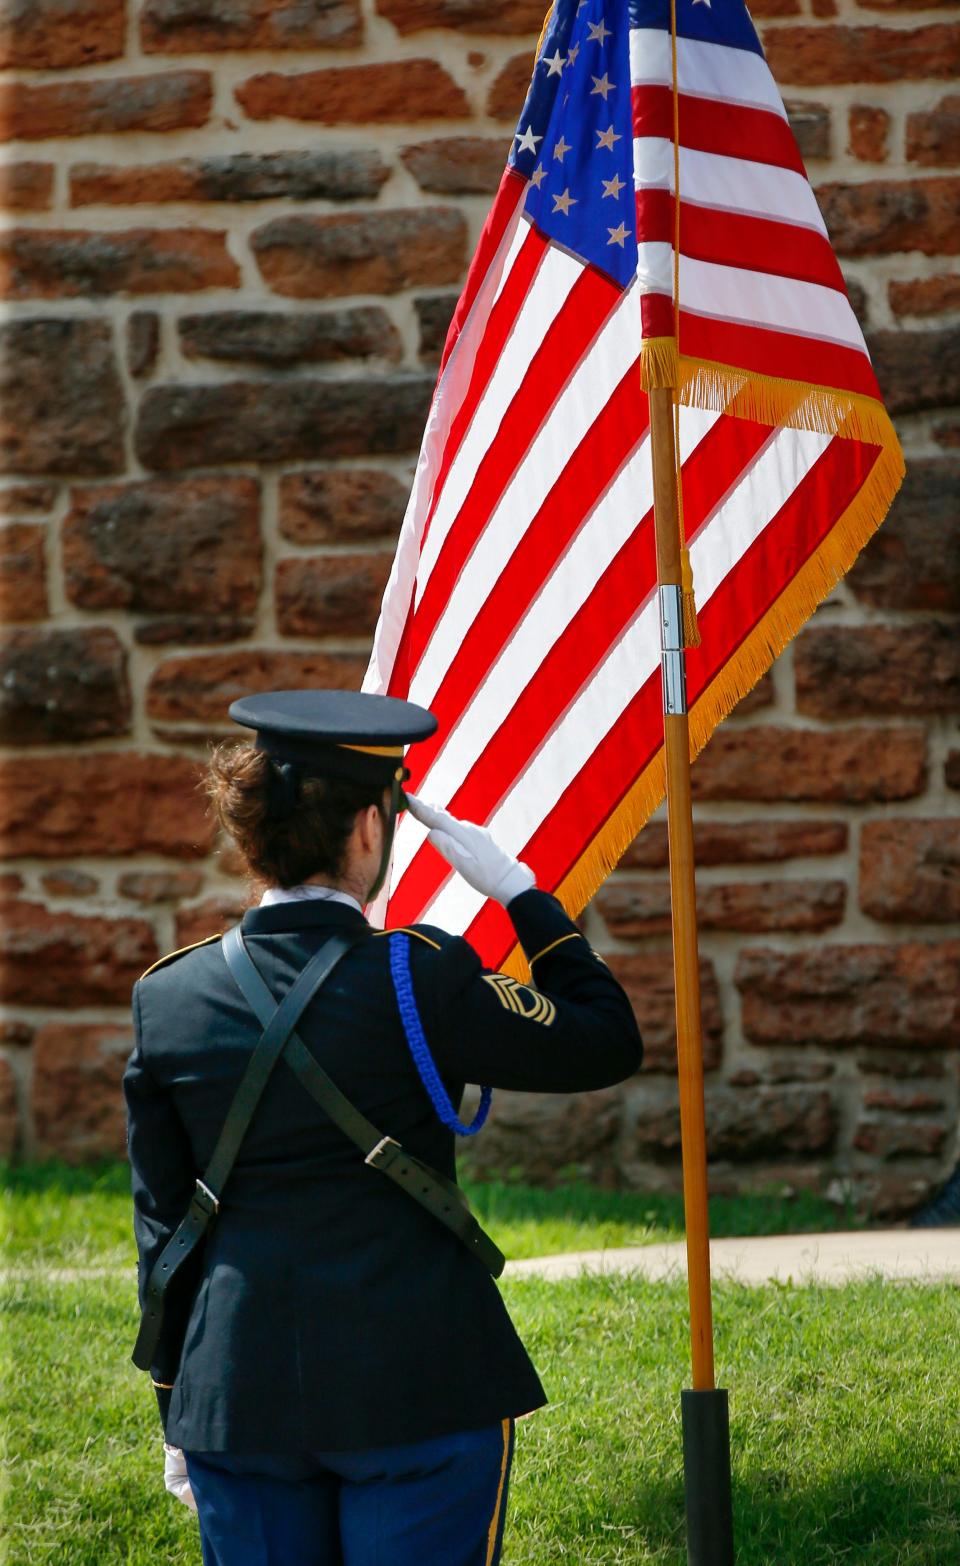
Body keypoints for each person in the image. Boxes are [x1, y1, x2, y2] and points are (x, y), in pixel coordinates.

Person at [123, 689, 643, 1566]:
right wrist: (520, 893)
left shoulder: (167, 997)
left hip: (235, 1394)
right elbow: (605, 1040)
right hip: (420, 1383)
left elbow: (165, 1231)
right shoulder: (419, 973)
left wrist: (179, 1397)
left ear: (252, 835)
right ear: (370, 828)